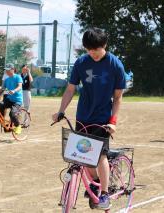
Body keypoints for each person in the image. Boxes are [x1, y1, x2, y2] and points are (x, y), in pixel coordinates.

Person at [52, 28, 126, 210]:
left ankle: (105, 194)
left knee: (100, 156)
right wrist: (60, 110)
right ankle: (95, 182)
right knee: (82, 154)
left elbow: (117, 98)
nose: (92, 53)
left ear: (105, 46)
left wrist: (113, 122)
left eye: (96, 49)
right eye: (89, 49)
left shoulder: (115, 65)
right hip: (83, 116)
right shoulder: (81, 63)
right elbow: (70, 89)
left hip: (102, 119)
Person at [0, 63, 23, 134]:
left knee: (12, 114)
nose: (6, 72)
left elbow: (20, 86)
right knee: (0, 105)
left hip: (17, 101)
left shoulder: (18, 77)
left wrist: (14, 90)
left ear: (13, 70)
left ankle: (18, 126)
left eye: (8, 70)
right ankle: (3, 123)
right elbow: (2, 88)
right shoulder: (6, 79)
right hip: (10, 99)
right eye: (6, 70)